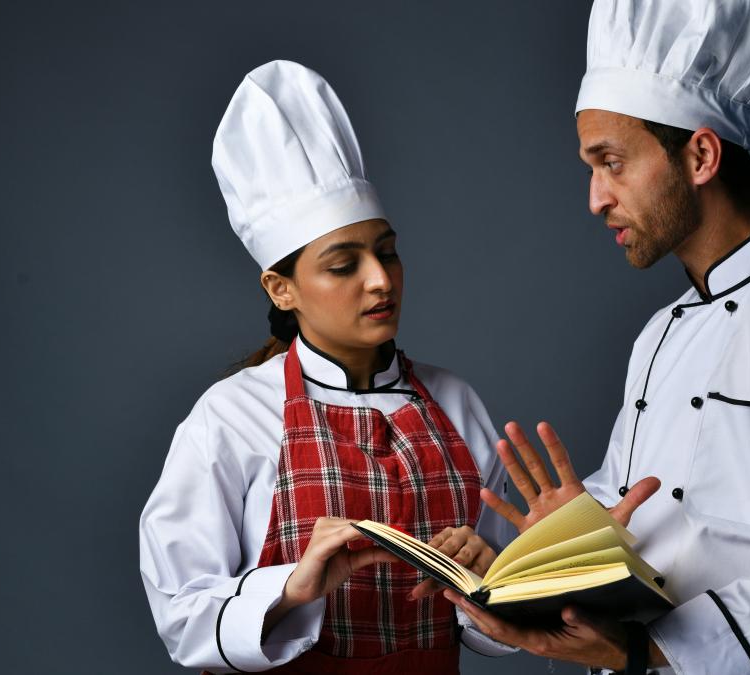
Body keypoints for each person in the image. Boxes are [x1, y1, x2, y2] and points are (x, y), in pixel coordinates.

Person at [447, 1, 750, 673]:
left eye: (612, 162)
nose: (595, 197)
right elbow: (629, 514)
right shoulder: (658, 335)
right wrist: (546, 555)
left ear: (700, 154)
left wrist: (654, 650)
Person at [139, 60, 514, 673]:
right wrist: (292, 587)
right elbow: (182, 615)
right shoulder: (232, 417)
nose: (379, 280)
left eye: (387, 253)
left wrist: (487, 581)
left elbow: (507, 625)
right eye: (344, 265)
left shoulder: (456, 401)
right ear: (280, 288)